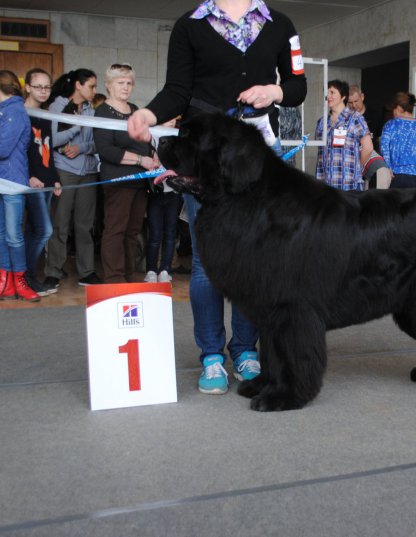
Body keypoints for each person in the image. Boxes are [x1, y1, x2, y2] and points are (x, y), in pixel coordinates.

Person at [127, 0, 307, 394]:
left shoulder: (280, 24)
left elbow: (298, 87)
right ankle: (211, 355)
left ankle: (245, 349)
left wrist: (274, 90)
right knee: (207, 261)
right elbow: (177, 90)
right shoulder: (189, 25)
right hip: (203, 156)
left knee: (255, 256)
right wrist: (149, 115)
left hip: (258, 155)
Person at [0, 70, 39, 302]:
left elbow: (0, 149)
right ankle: (5, 282)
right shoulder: (3, 111)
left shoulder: (15, 112)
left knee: (13, 235)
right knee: (1, 234)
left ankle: (20, 281)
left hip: (11, 181)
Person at [94, 63, 156, 284]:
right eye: (120, 82)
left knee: (133, 231)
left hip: (140, 181)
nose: (126, 87)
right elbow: (106, 150)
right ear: (108, 85)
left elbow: (145, 141)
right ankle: (114, 279)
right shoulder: (102, 111)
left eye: (129, 83)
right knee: (115, 230)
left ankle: (129, 276)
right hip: (118, 180)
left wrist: (153, 156)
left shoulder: (135, 109)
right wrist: (141, 160)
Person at [44, 68, 101, 288]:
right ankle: (53, 271)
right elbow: (52, 140)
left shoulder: (91, 112)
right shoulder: (57, 107)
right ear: (78, 85)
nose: (94, 91)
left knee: (85, 224)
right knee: (60, 223)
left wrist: (81, 148)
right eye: (91, 86)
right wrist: (75, 128)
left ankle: (87, 272)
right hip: (64, 170)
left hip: (89, 172)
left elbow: (98, 143)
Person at [23, 67, 59, 296]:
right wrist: (28, 176)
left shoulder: (45, 116)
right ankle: (26, 276)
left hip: (46, 180)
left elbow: (48, 149)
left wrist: (55, 179)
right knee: (44, 230)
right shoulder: (21, 114)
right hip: (31, 181)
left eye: (47, 87)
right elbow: (20, 151)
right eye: (38, 86)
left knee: (35, 230)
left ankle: (29, 276)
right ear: (27, 87)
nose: (43, 91)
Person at [315, 79, 373, 191]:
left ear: (343, 96)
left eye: (332, 92)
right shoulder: (322, 122)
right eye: (326, 93)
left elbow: (368, 148)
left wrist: (357, 167)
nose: (328, 96)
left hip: (348, 184)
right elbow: (321, 153)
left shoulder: (355, 118)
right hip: (325, 184)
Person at [144, 118, 180, 284]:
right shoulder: (151, 137)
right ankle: (151, 269)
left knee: (170, 233)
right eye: (169, 117)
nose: (172, 121)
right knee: (155, 233)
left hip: (173, 192)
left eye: (175, 118)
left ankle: (165, 269)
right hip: (155, 191)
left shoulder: (178, 137)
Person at [379, 91, 416, 189]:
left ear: (399, 108)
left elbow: (384, 150)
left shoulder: (391, 125)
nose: (393, 112)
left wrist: (389, 167)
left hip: (396, 176)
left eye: (393, 109)